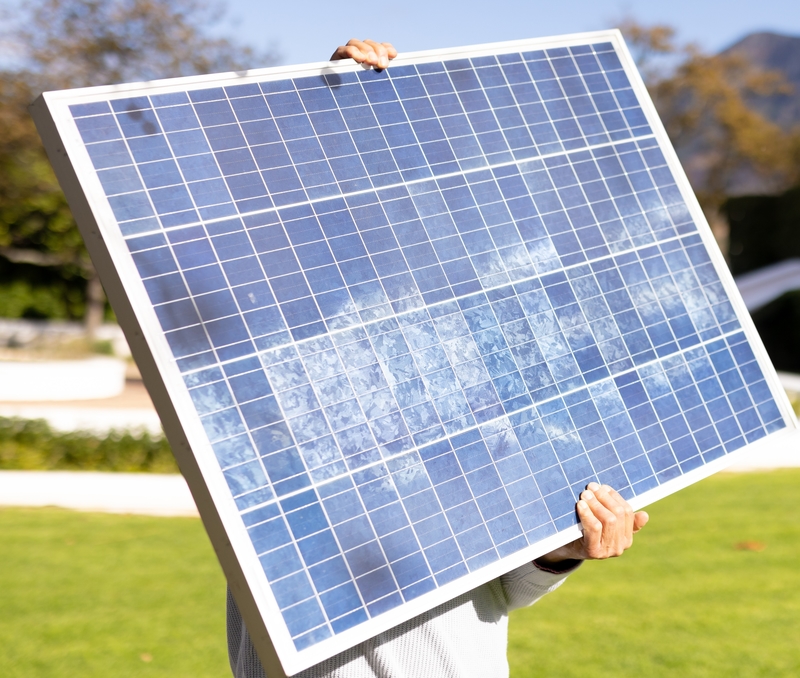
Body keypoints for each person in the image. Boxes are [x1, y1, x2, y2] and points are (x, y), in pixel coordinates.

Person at [227, 40, 650, 678]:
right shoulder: (265, 335)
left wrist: (562, 550)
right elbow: (250, 199)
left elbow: (504, 587)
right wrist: (327, 94)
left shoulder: (484, 352)